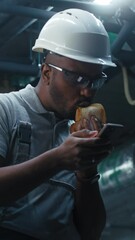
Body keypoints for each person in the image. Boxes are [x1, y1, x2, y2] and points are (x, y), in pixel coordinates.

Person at [0, 8, 116, 240]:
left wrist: (87, 172)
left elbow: (91, 233)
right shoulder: (6, 109)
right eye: (78, 78)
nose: (87, 91)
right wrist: (57, 159)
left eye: (96, 80)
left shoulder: (77, 136)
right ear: (46, 73)